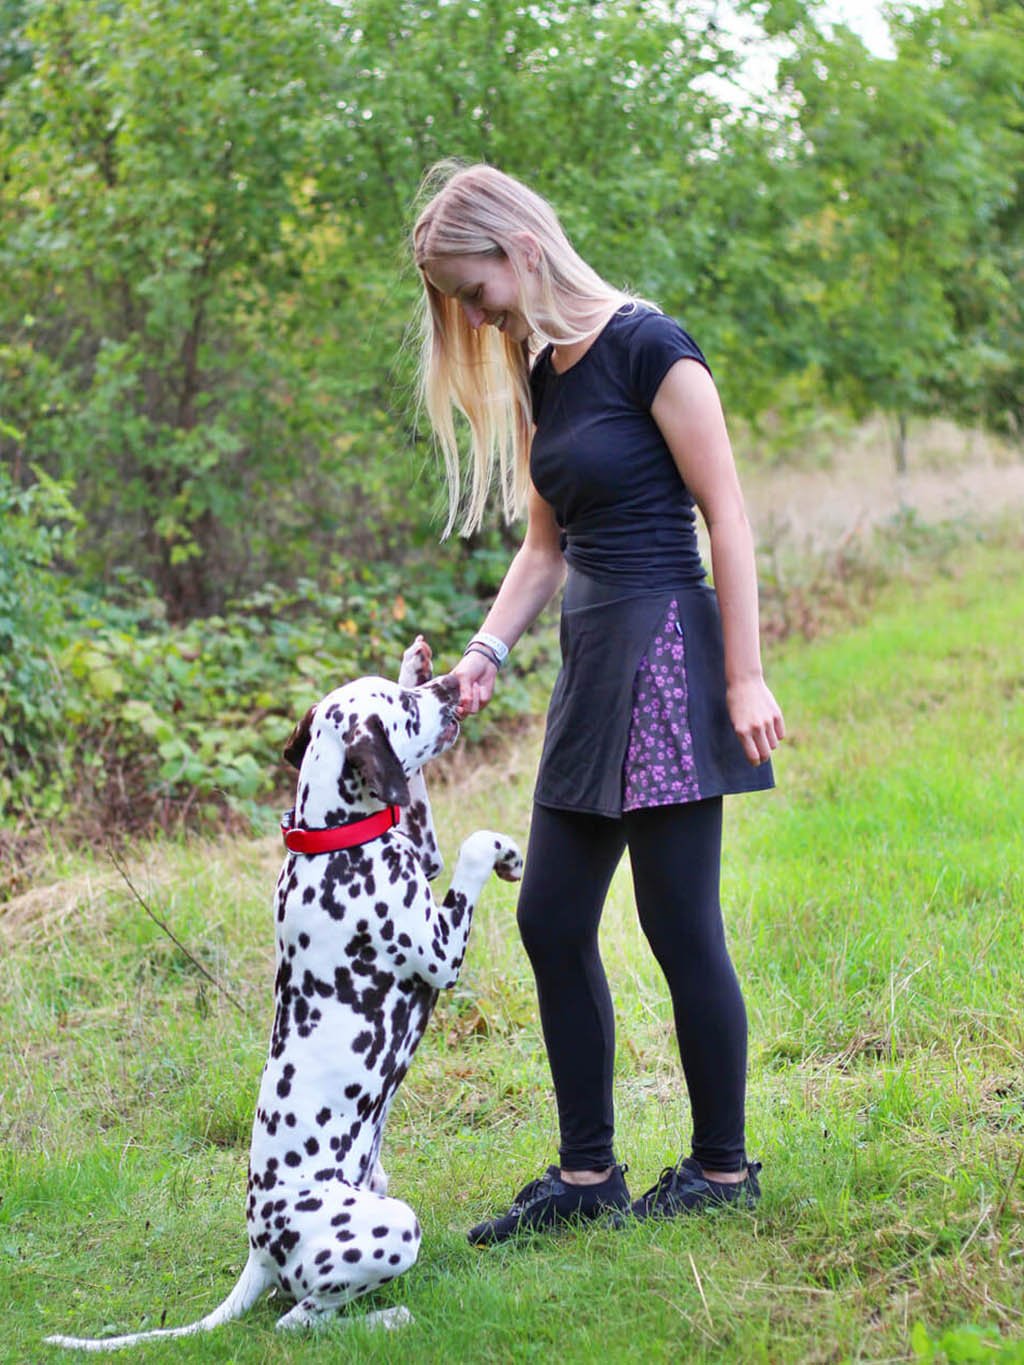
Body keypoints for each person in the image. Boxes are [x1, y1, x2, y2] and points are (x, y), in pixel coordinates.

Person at [411, 162, 784, 1245]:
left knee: (677, 924)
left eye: (472, 289)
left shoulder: (650, 347)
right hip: (589, 662)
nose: (475, 316)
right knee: (552, 916)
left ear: (518, 248)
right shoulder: (545, 375)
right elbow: (543, 546)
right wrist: (485, 650)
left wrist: (744, 672)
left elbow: (730, 518)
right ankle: (587, 1180)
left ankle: (722, 1172)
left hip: (666, 650)